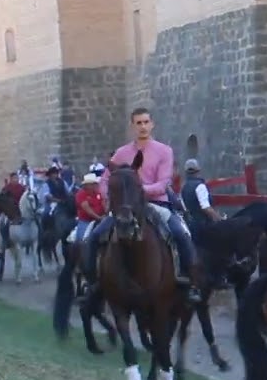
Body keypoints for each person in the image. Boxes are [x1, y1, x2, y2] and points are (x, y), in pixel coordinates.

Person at [83, 107, 202, 304]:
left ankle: (190, 282)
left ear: (152, 124)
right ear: (132, 126)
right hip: (125, 206)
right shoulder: (121, 154)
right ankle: (93, 283)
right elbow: (105, 179)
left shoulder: (164, 151)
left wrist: (139, 191)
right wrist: (107, 195)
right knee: (94, 235)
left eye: (146, 122)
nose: (143, 126)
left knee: (181, 233)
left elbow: (164, 182)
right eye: (138, 123)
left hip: (156, 203)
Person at [180, 159, 223, 228]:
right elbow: (206, 208)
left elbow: (184, 206)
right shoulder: (200, 186)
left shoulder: (184, 186)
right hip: (203, 225)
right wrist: (219, 220)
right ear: (198, 171)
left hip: (189, 224)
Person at [72, 173, 106, 241]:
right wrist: (98, 217)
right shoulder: (81, 194)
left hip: (100, 219)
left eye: (95, 184)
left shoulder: (98, 193)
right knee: (82, 239)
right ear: (87, 185)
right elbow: (87, 209)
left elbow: (103, 204)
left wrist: (106, 213)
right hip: (86, 221)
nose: (96, 185)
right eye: (93, 184)